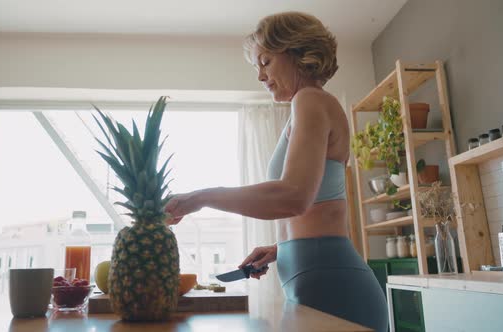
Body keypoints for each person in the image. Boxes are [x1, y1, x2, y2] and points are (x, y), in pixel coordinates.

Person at [164, 11, 388, 331]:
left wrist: (199, 197)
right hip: (316, 281)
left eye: (265, 61)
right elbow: (317, 203)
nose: (260, 75)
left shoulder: (310, 100)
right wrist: (280, 249)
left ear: (296, 52)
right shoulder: (308, 106)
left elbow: (293, 197)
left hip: (333, 288)